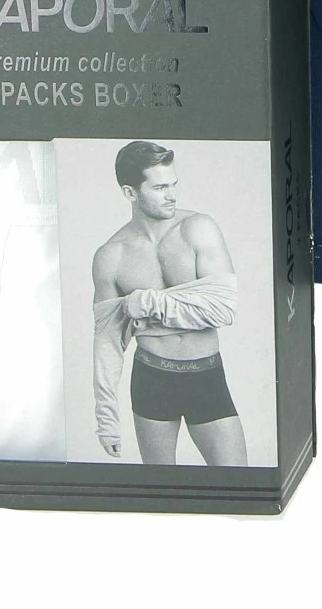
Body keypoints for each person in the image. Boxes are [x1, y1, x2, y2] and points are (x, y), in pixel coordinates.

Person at [91, 141, 247, 465]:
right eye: (160, 188)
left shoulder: (199, 228)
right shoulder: (111, 256)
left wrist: (147, 303)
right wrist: (106, 418)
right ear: (130, 193)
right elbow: (107, 340)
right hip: (151, 378)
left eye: (173, 185)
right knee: (163, 487)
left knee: (235, 482)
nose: (172, 195)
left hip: (205, 376)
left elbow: (222, 308)